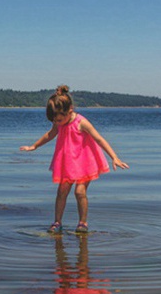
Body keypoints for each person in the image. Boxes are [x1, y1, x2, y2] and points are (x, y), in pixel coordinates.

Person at [20, 85, 129, 234]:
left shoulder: (81, 122)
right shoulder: (58, 121)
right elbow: (50, 134)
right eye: (54, 120)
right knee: (62, 191)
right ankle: (57, 222)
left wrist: (114, 157)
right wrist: (34, 146)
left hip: (85, 162)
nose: (57, 123)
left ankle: (82, 223)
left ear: (69, 110)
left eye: (59, 120)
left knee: (79, 192)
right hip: (67, 162)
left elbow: (99, 138)